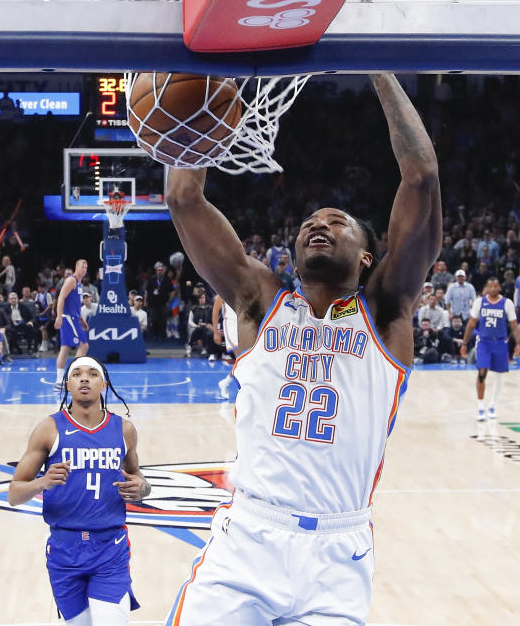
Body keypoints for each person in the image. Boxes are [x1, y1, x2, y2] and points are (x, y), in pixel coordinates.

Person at [161, 73, 439, 625]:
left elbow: (423, 176)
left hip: (338, 556)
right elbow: (182, 196)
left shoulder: (385, 312)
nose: (320, 225)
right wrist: (205, 83)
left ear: (367, 257)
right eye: (311, 222)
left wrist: (378, 68)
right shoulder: (259, 301)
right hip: (249, 541)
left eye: (338, 223)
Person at [8, 357, 148, 626]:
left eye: (93, 374)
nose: (85, 378)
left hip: (110, 549)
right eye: (78, 374)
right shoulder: (49, 429)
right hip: (64, 549)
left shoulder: (125, 430)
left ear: (104, 384)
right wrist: (42, 482)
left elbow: (138, 478)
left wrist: (142, 487)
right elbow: (15, 494)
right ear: (68, 384)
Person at [461, 278, 520, 421]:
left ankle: (493, 405)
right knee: (482, 371)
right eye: (490, 286)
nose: (493, 288)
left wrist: (518, 344)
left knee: (500, 375)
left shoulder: (507, 303)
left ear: (499, 287)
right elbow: (471, 324)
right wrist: (464, 343)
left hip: (501, 342)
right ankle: (480, 406)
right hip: (483, 342)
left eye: (495, 285)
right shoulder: (479, 302)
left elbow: (514, 325)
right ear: (486, 288)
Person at [55, 259, 90, 388]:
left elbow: (75, 305)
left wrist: (82, 321)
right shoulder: (71, 280)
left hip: (74, 318)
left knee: (65, 348)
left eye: (86, 267)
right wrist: (59, 317)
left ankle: (59, 381)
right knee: (84, 345)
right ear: (76, 267)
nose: (84, 269)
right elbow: (61, 297)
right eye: (82, 266)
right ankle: (72, 376)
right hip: (68, 318)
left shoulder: (79, 284)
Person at [211, 294, 237, 399]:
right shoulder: (222, 291)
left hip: (242, 325)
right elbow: (215, 311)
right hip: (230, 325)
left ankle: (225, 382)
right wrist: (216, 332)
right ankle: (226, 383)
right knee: (242, 360)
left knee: (245, 360)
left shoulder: (241, 288)